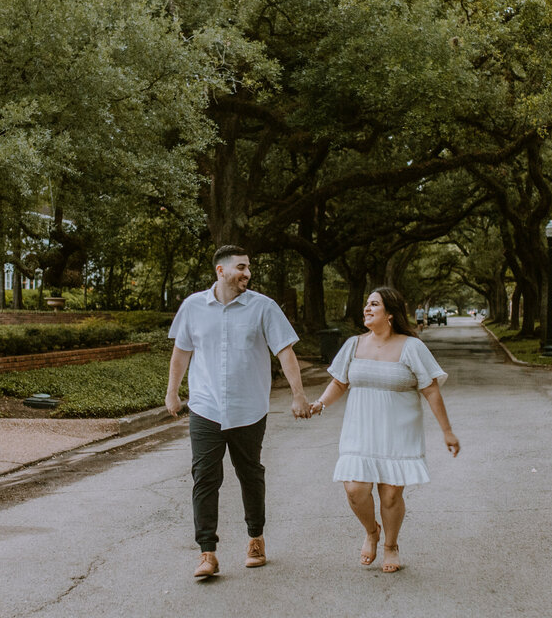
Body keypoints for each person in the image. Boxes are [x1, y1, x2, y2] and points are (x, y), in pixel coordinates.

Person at [166, 245, 311, 578]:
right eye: (241, 267)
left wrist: (298, 395)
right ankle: (207, 553)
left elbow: (285, 353)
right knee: (204, 478)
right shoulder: (193, 307)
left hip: (249, 408)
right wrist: (172, 392)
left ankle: (255, 539)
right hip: (206, 407)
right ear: (221, 271)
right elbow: (181, 354)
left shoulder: (264, 307)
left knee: (249, 474)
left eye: (249, 267)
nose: (247, 273)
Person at [308, 286, 459, 573]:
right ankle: (371, 531)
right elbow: (339, 382)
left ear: (390, 313)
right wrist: (320, 404)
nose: (367, 308)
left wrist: (447, 431)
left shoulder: (411, 347)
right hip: (360, 429)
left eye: (374, 304)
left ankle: (391, 545)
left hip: (399, 431)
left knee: (390, 495)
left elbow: (431, 390)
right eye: (366, 303)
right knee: (354, 489)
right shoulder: (353, 344)